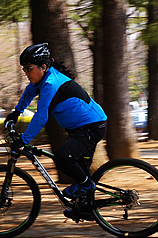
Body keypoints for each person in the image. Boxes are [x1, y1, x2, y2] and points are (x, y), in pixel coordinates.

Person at [6, 43, 107, 204]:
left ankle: (87, 186)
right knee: (80, 170)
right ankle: (86, 208)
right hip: (80, 128)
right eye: (23, 69)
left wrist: (24, 140)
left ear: (43, 67)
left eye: (29, 68)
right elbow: (29, 91)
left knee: (62, 158)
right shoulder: (42, 79)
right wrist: (17, 112)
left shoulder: (51, 83)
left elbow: (41, 116)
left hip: (92, 127)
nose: (26, 73)